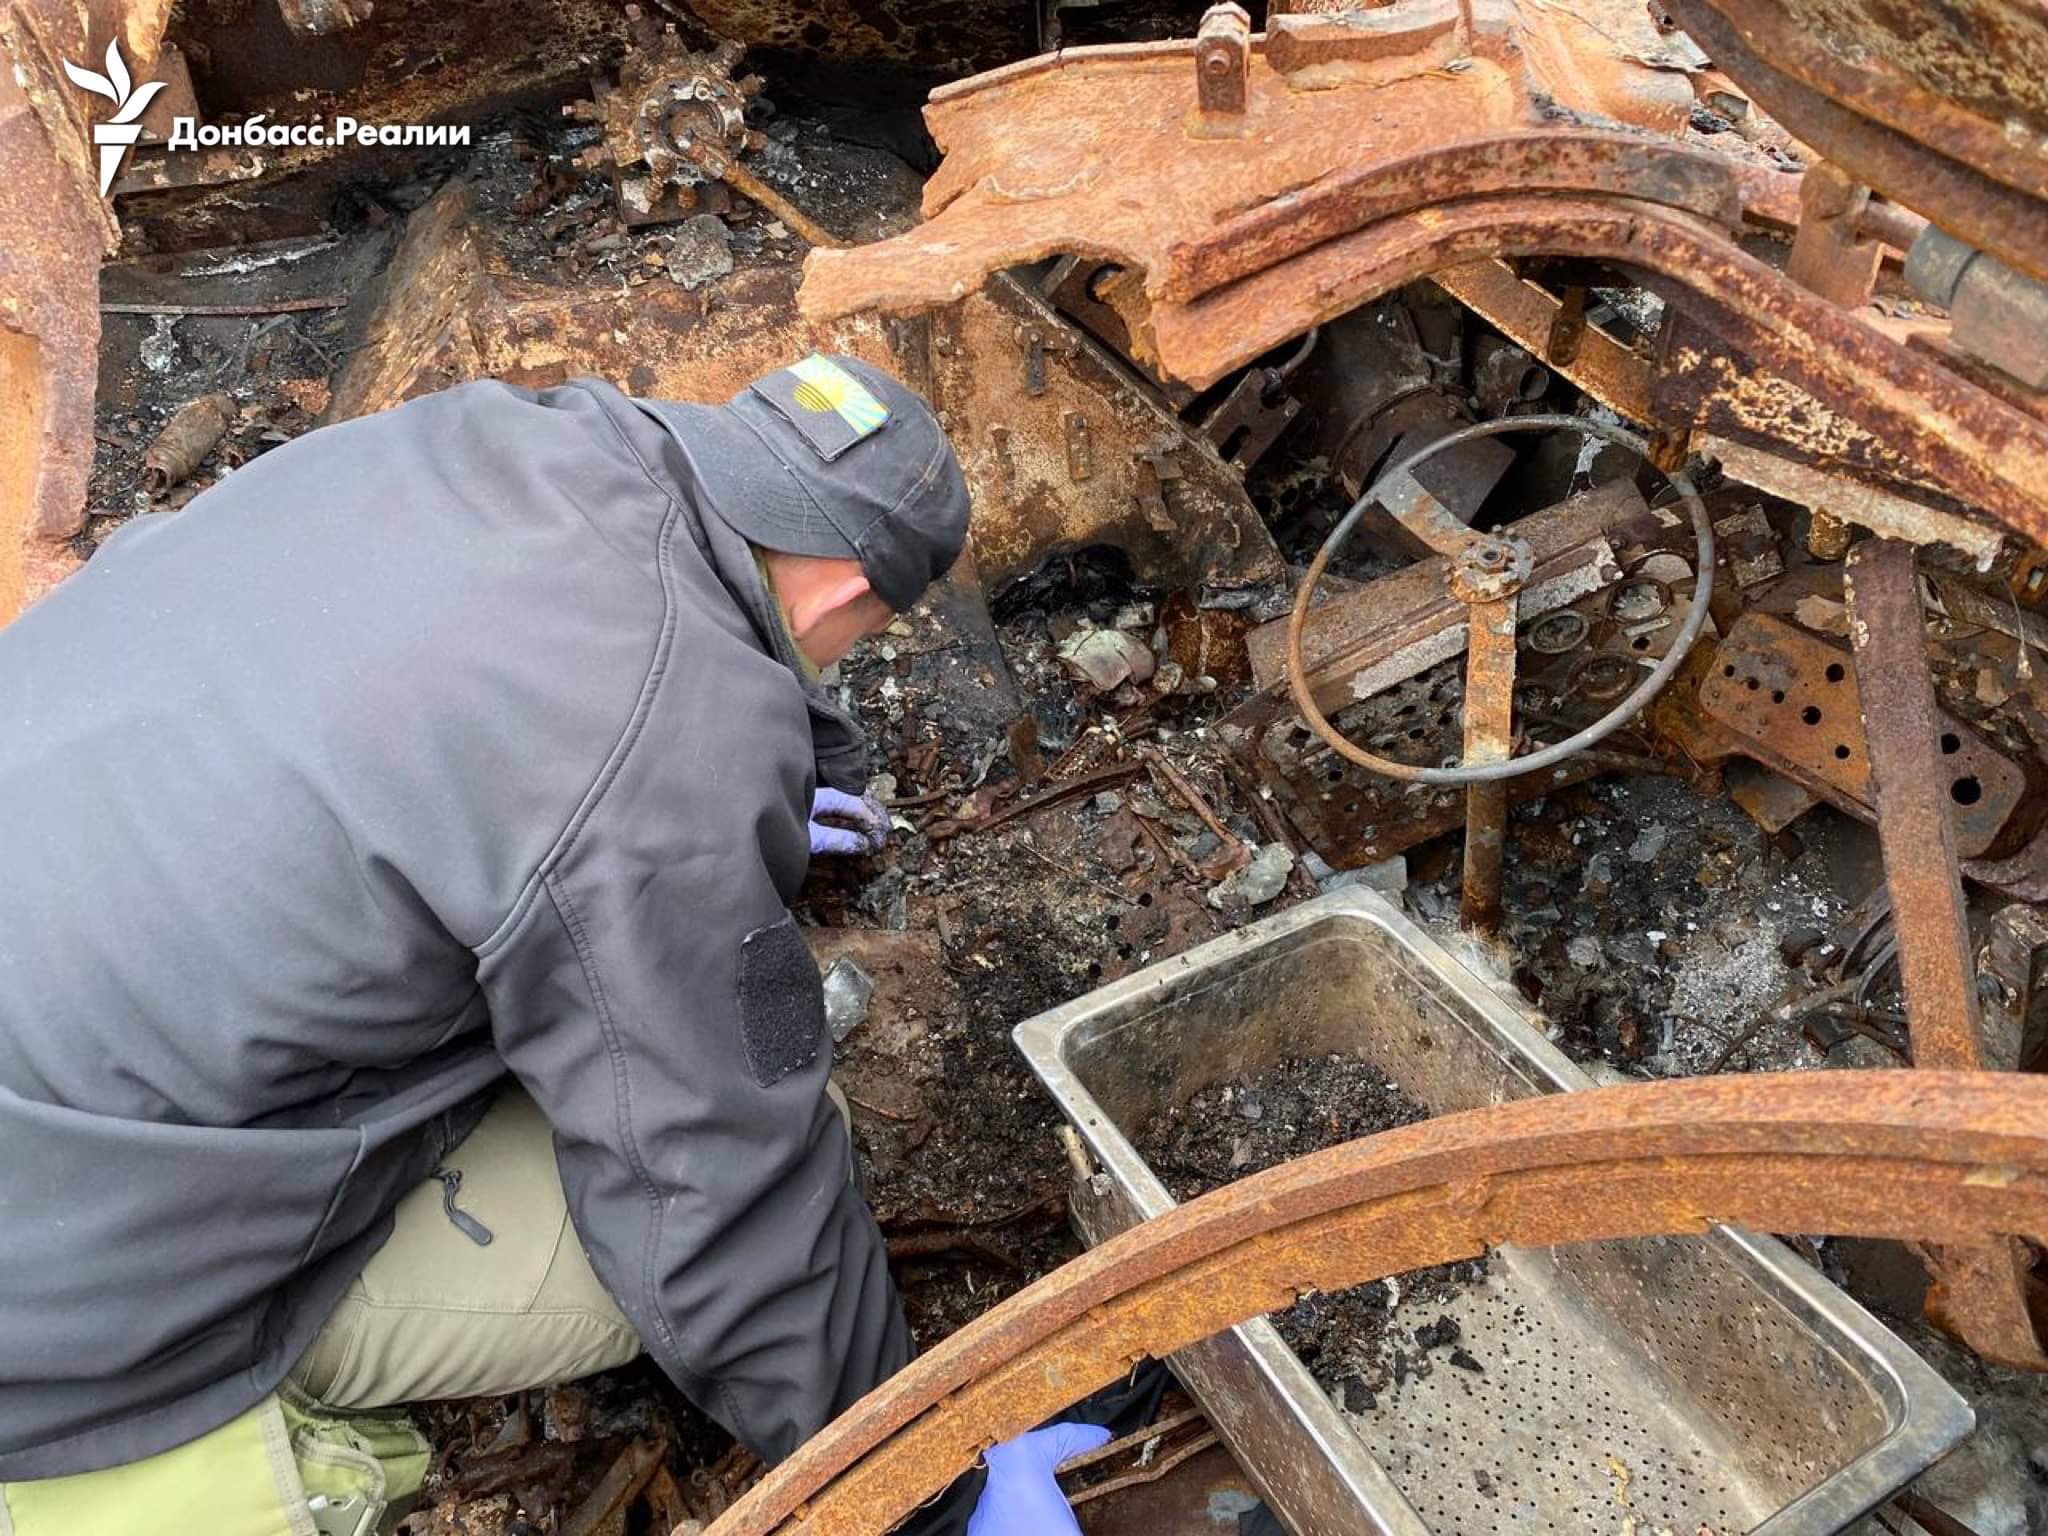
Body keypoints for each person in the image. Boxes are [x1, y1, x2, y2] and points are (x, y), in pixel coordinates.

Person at [0, 354, 1110, 1534]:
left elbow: (475, 710)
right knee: (715, 1183)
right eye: (860, 635)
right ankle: (201, 1460)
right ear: (844, 593)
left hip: (65, 939)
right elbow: (715, 1185)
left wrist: (752, 771)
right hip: (59, 1288)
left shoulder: (496, 436)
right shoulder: (664, 752)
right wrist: (919, 1482)